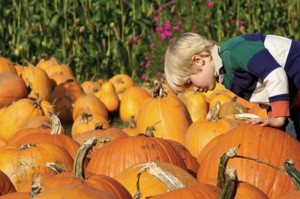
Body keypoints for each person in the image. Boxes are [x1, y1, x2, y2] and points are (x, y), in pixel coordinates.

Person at [164, 32, 300, 139]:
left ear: (198, 61)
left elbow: (275, 74)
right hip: (294, 99)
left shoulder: (235, 52)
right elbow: (267, 93)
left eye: (190, 82)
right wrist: (274, 120)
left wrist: (279, 117)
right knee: (289, 142)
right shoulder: (225, 76)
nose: (195, 89)